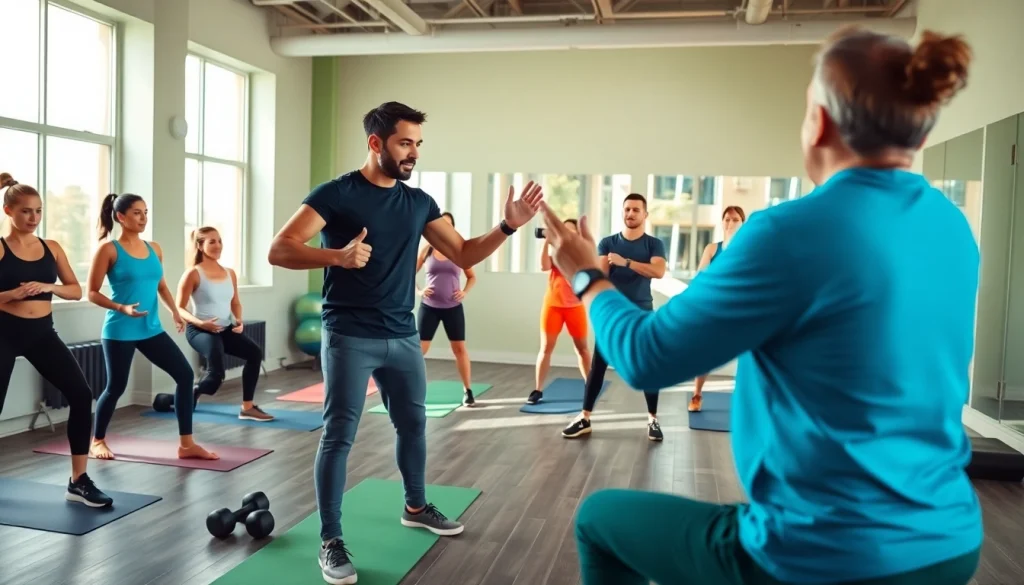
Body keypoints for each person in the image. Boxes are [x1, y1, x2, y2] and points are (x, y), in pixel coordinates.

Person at [541, 27, 981, 585]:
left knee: (599, 520)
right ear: (919, 131)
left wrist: (585, 274)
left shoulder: (789, 232)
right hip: (950, 543)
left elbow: (645, 358)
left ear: (819, 122)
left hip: (824, 554)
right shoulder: (950, 225)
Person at [267, 101, 542, 585]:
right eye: (404, 143)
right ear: (376, 143)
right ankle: (330, 540)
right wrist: (337, 256)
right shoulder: (336, 194)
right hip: (349, 334)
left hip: (401, 335)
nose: (413, 152)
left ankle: (415, 506)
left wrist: (508, 226)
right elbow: (280, 249)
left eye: (418, 143)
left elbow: (463, 252)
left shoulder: (419, 202)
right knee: (339, 435)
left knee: (414, 425)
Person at [0, 173, 113, 507]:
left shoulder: (52, 247)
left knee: (81, 394)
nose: (33, 217)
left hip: (42, 333)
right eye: (25, 211)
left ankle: (78, 481)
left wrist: (49, 287)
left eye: (38, 210)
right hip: (4, 333)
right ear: (8, 211)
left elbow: (75, 290)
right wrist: (13, 294)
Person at [87, 193, 218, 461]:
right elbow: (91, 292)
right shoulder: (109, 250)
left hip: (150, 328)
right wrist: (121, 307)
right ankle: (97, 440)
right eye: (137, 213)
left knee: (184, 375)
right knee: (116, 387)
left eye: (145, 212)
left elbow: (161, 286)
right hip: (120, 330)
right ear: (120, 217)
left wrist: (175, 312)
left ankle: (187, 444)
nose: (143, 218)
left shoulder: (154, 248)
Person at [559, 195, 666, 442]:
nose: (631, 213)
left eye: (636, 210)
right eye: (627, 209)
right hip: (613, 314)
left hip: (642, 314)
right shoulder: (608, 243)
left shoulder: (653, 244)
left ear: (645, 215)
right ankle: (585, 418)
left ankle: (653, 419)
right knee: (598, 367)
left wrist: (625, 262)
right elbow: (602, 277)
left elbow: (658, 271)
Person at [175, 227, 272, 421]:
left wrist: (238, 319)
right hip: (200, 331)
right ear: (200, 246)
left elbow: (235, 302)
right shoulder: (193, 273)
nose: (218, 245)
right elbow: (180, 308)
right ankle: (194, 391)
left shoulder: (230, 273)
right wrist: (201, 323)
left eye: (219, 241)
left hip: (225, 328)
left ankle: (247, 407)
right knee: (215, 378)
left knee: (255, 354)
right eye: (212, 241)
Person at [525, 218, 592, 406]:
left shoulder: (582, 256)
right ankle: (538, 390)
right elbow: (543, 266)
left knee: (582, 349)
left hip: (575, 307)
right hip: (553, 306)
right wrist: (547, 239)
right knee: (546, 348)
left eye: (571, 231)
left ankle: (590, 387)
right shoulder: (556, 253)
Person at [415, 212, 478, 406]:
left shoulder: (458, 251)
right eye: (442, 224)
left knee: (459, 349)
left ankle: (467, 390)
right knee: (418, 350)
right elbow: (408, 274)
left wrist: (464, 292)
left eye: (449, 224)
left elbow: (471, 276)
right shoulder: (427, 250)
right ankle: (411, 390)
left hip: (453, 307)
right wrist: (419, 291)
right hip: (429, 307)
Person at [689, 205, 746, 413]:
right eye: (727, 219)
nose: (730, 223)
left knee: (748, 356)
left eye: (735, 220)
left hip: (740, 310)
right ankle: (697, 395)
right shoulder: (712, 249)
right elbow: (700, 278)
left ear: (743, 223)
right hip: (714, 310)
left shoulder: (748, 249)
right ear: (722, 222)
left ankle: (745, 400)